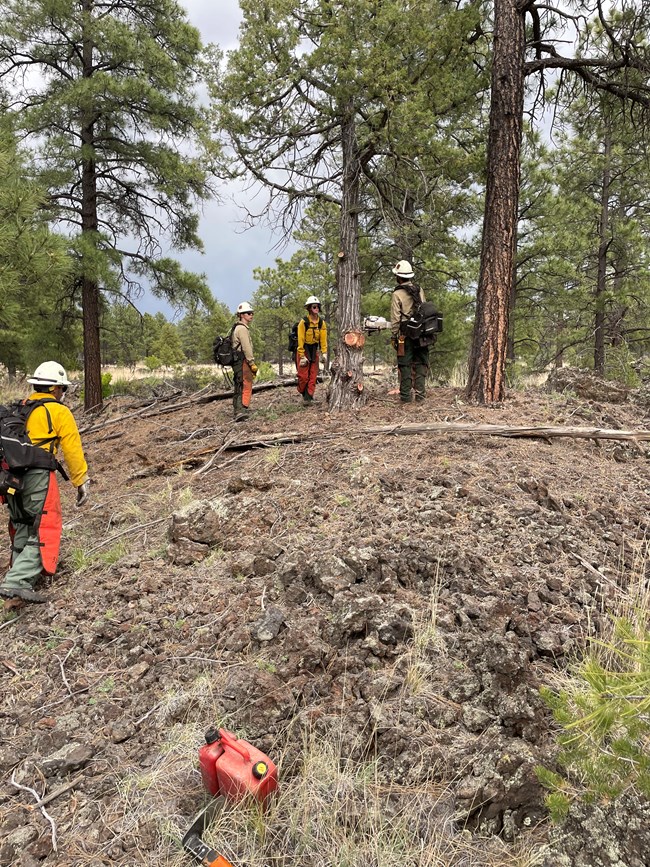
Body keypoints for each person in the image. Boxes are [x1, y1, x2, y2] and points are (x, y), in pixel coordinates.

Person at [0, 361, 89, 603]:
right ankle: (16, 582)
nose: (63, 393)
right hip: (38, 476)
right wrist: (80, 481)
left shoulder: (20, 410)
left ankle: (19, 575)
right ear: (55, 389)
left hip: (11, 478)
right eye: (63, 388)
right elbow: (72, 449)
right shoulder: (58, 412)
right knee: (43, 526)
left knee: (22, 524)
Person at [390, 260, 429, 404]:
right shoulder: (419, 290)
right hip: (421, 332)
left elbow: (395, 318)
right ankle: (420, 396)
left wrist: (394, 336)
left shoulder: (397, 294)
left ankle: (406, 397)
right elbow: (424, 309)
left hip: (405, 333)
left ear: (399, 277)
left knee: (405, 364)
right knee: (420, 362)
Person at [296, 295, 328, 405]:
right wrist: (301, 355)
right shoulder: (303, 322)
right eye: (314, 306)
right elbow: (300, 339)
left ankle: (309, 397)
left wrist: (324, 353)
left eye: (317, 306)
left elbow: (323, 339)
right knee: (303, 376)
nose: (316, 308)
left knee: (313, 375)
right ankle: (303, 392)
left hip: (314, 349)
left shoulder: (321, 323)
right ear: (309, 308)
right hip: (304, 349)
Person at [232, 301, 258, 421]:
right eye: (248, 313)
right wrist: (251, 363)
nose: (251, 315)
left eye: (252, 313)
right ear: (242, 315)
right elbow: (246, 347)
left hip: (238, 360)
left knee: (239, 384)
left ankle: (238, 409)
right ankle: (241, 410)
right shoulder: (242, 329)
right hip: (242, 360)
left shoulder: (237, 328)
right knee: (245, 384)